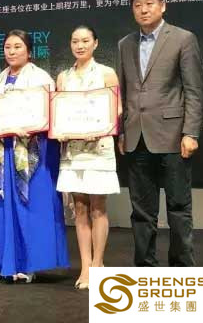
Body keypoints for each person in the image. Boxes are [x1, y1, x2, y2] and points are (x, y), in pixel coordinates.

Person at [117, 0, 203, 267]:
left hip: (173, 136)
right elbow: (123, 91)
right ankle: (146, 270)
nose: (143, 10)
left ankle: (181, 270)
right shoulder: (125, 44)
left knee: (178, 207)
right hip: (136, 137)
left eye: (149, 4)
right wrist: (121, 130)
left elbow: (194, 90)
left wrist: (190, 132)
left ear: (163, 5)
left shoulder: (182, 38)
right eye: (137, 5)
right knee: (141, 212)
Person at [0, 29, 69, 283]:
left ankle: (30, 263)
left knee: (32, 205)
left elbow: (50, 113)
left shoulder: (41, 78)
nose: (11, 51)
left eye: (17, 47)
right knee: (5, 206)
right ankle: (8, 262)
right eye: (8, 47)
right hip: (4, 152)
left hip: (33, 152)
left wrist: (31, 126)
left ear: (29, 51)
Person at [55, 26, 121, 289]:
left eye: (85, 41)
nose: (80, 45)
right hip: (72, 151)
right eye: (75, 41)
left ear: (95, 43)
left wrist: (100, 127)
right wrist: (58, 129)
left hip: (98, 148)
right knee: (79, 208)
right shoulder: (63, 77)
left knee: (98, 207)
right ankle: (85, 266)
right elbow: (58, 112)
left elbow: (117, 109)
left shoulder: (106, 73)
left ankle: (97, 264)